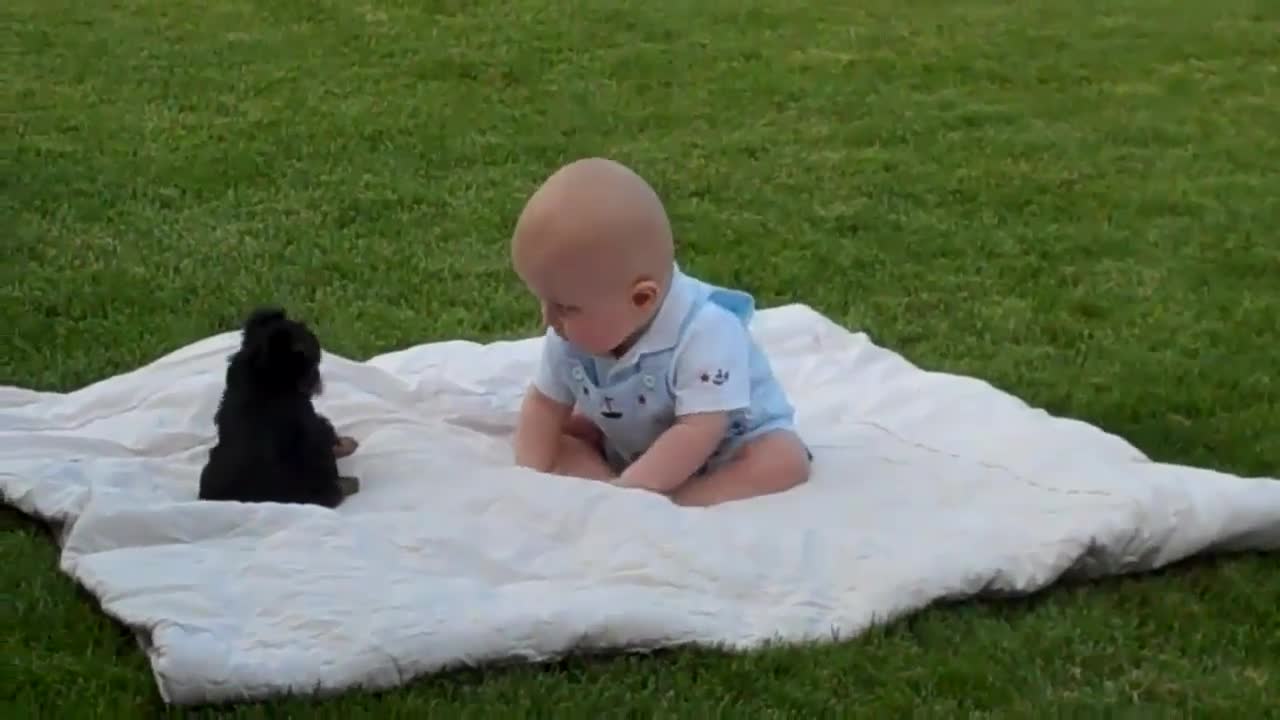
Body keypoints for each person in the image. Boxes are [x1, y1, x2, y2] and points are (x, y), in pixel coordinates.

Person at [509, 157, 811, 506]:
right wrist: (528, 475)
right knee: (553, 434)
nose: (547, 319)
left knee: (783, 460)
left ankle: (684, 503)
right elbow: (544, 404)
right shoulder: (571, 331)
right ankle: (607, 488)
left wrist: (634, 494)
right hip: (635, 443)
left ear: (641, 298)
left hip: (725, 444)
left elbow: (699, 432)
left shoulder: (706, 330)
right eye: (545, 301)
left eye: (564, 307)